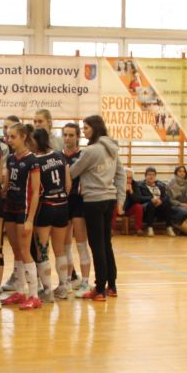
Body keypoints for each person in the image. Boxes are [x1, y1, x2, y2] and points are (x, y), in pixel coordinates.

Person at [68, 115, 125, 300]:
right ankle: (111, 285)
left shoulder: (91, 151)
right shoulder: (112, 148)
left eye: (86, 128)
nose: (84, 131)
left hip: (93, 200)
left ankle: (99, 288)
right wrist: (121, 200)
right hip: (110, 199)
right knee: (106, 243)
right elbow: (121, 174)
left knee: (97, 245)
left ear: (95, 128)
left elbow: (73, 172)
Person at [1, 123, 43, 309]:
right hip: (10, 208)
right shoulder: (11, 158)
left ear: (23, 137)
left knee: (25, 251)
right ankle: (19, 291)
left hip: (24, 210)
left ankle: (34, 295)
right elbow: (7, 184)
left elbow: (35, 192)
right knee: (16, 251)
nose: (9, 140)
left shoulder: (32, 160)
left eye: (13, 137)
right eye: (8, 136)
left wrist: (30, 219)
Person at [32, 128, 71, 297]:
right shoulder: (60, 156)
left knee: (42, 250)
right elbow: (68, 184)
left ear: (36, 141)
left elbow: (35, 189)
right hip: (62, 205)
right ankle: (63, 287)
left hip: (46, 206)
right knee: (60, 249)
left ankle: (47, 290)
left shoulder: (36, 161)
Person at [62, 123, 92, 291]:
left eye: (71, 135)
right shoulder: (58, 156)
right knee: (65, 245)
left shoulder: (83, 155)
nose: (67, 138)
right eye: (65, 135)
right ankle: (68, 279)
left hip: (79, 201)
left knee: (81, 243)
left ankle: (86, 282)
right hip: (63, 202)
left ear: (78, 136)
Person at [168, 165, 187, 229]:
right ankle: (176, 224)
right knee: (184, 211)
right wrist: (181, 204)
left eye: (184, 171)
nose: (182, 173)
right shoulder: (171, 183)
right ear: (176, 173)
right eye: (180, 171)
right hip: (176, 205)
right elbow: (170, 199)